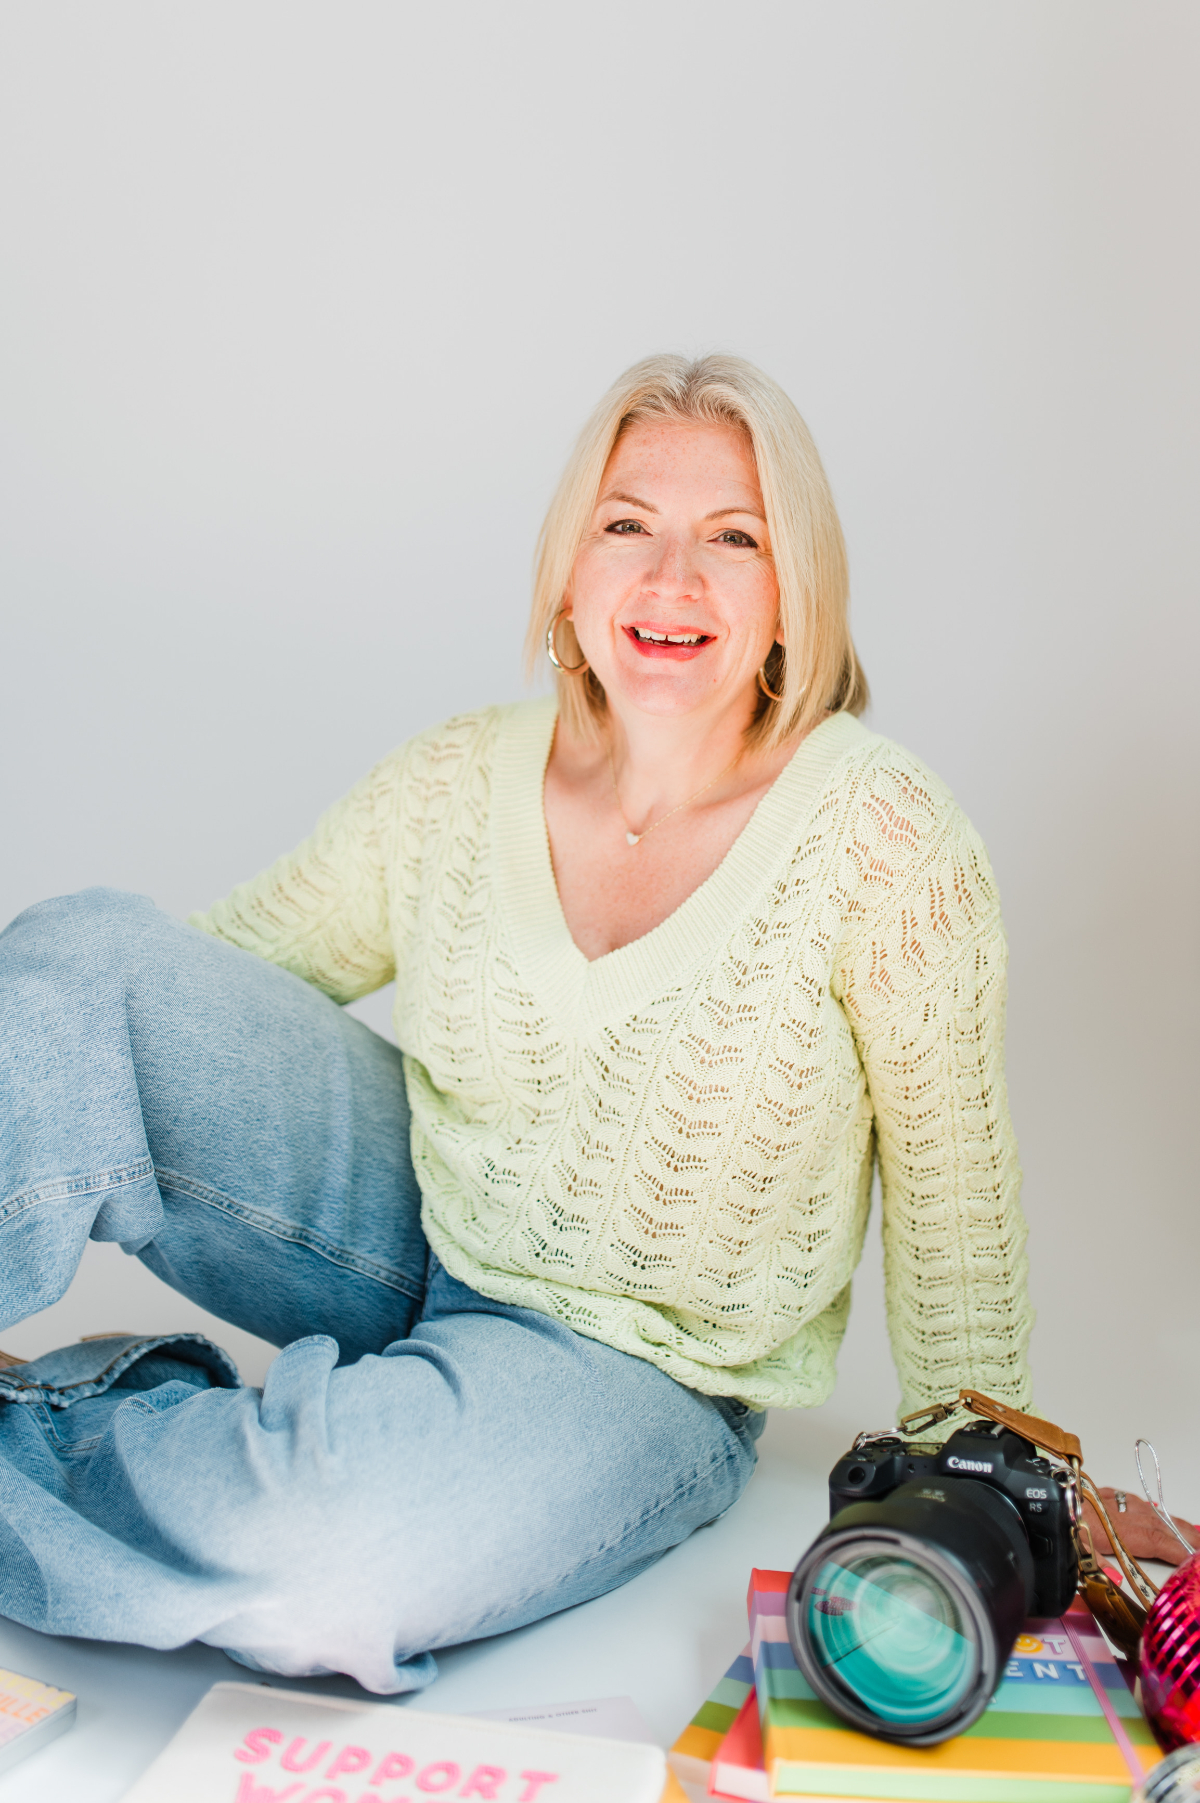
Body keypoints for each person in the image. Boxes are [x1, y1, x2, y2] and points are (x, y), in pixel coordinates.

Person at [1, 353, 1174, 1698]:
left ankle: (72, 1438)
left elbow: (954, 1204)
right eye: (628, 525)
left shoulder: (885, 840)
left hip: (640, 1369)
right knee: (82, 965)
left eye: (734, 538)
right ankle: (316, 1434)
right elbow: (175, 1004)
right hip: (416, 1227)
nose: (672, 577)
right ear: (570, 570)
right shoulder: (453, 779)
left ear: (796, 594)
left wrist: (998, 1498)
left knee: (324, 1561)